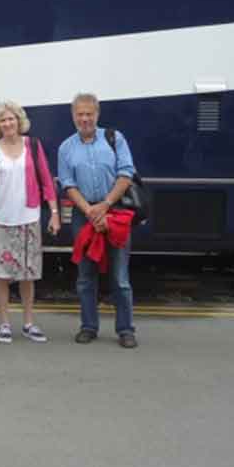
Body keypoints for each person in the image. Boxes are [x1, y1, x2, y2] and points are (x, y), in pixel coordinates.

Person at [57, 93, 139, 348]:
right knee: (85, 276)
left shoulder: (115, 139)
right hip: (84, 215)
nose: (84, 119)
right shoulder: (66, 148)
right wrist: (90, 211)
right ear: (73, 116)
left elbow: (126, 174)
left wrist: (104, 206)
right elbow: (67, 184)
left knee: (120, 277)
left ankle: (125, 330)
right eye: (79, 114)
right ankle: (89, 327)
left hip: (114, 211)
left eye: (89, 114)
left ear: (97, 114)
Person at [0, 101, 60, 344]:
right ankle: (4, 323)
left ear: (19, 120)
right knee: (1, 275)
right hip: (1, 219)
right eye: (2, 120)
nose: (7, 124)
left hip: (29, 217)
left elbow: (47, 181)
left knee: (27, 275)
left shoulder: (32, 146)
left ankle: (28, 323)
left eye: (11, 119)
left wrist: (54, 212)